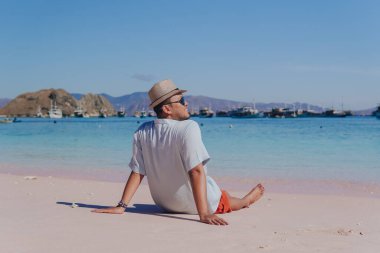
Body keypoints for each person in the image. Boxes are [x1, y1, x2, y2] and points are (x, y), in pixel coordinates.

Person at [92, 79, 264, 225]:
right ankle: (245, 200)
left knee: (216, 190)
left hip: (165, 205)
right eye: (182, 101)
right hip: (193, 205)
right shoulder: (189, 127)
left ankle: (232, 199)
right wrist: (203, 214)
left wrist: (122, 206)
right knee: (223, 198)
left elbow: (137, 172)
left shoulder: (142, 131)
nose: (186, 103)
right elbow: (196, 171)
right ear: (167, 109)